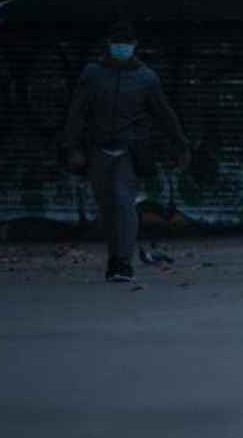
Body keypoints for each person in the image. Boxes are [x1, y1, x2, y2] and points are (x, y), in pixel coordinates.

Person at [65, 21, 190, 282]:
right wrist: (73, 147)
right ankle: (114, 257)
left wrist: (180, 145)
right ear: (109, 45)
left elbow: (164, 114)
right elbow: (77, 112)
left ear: (134, 46)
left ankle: (123, 262)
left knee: (124, 202)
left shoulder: (146, 78)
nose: (121, 47)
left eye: (126, 42)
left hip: (128, 150)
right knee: (107, 205)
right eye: (117, 42)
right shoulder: (93, 74)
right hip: (98, 149)